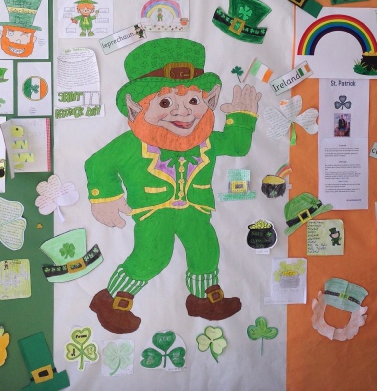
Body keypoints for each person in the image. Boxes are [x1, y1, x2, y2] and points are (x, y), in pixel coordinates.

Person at [85, 38, 260, 334]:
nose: (183, 113)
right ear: (136, 108)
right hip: (154, 212)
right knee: (152, 256)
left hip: (196, 210)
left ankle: (204, 298)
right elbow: (98, 164)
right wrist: (105, 196)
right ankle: (113, 301)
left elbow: (237, 146)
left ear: (207, 102)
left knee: (206, 249)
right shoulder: (131, 144)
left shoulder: (207, 141)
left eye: (193, 101)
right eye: (165, 103)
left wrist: (242, 118)